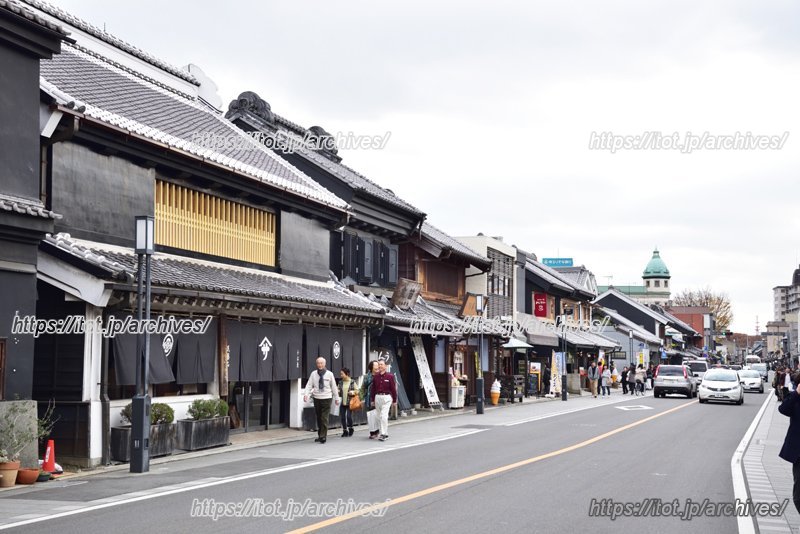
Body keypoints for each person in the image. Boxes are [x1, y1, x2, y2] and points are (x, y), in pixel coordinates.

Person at [303, 357, 340, 444]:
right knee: (319, 417)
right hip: (317, 398)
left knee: (324, 418)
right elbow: (309, 385)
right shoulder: (313, 374)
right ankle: (320, 435)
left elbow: (334, 387)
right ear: (316, 364)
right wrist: (306, 394)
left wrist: (337, 398)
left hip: (327, 398)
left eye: (321, 363)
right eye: (318, 363)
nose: (320, 365)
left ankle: (323, 436)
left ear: (325, 364)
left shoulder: (329, 374)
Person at [779, 371, 800, 514]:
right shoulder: (796, 398)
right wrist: (797, 394)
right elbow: (783, 409)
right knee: (798, 497)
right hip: (799, 454)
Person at [370, 360, 397, 441]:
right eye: (379, 365)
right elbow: (373, 389)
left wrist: (394, 400)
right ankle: (383, 432)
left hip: (387, 397)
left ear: (386, 366)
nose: (380, 366)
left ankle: (384, 434)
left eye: (382, 364)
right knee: (378, 417)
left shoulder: (390, 376)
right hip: (377, 397)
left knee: (383, 415)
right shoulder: (376, 376)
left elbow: (393, 389)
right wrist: (372, 399)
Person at [359, 360, 379, 439]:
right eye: (375, 365)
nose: (377, 367)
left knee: (377, 415)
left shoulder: (380, 376)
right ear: (371, 367)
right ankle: (372, 432)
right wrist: (361, 398)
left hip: (378, 397)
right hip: (369, 398)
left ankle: (377, 430)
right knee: (370, 415)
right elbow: (362, 388)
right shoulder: (367, 376)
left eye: (378, 365)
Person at [338, 368, 357, 437]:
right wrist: (338, 391)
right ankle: (345, 431)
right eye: (341, 374)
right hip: (342, 402)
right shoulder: (340, 382)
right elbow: (338, 390)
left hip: (350, 402)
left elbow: (357, 391)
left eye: (342, 374)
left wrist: (352, 392)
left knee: (349, 416)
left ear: (347, 374)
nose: (341, 375)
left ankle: (351, 428)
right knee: (343, 417)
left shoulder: (352, 382)